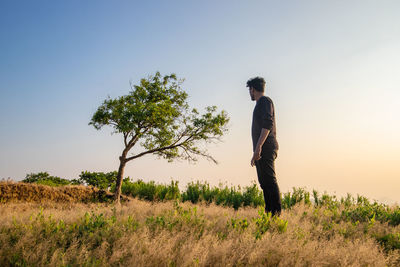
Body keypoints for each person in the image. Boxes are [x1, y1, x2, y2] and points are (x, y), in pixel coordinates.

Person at [247, 76, 282, 217]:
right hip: (261, 149)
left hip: (266, 147)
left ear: (253, 89)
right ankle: (269, 215)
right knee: (264, 182)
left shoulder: (265, 102)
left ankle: (276, 215)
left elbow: (268, 124)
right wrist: (255, 151)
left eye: (250, 90)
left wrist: (258, 147)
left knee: (269, 181)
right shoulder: (260, 104)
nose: (250, 93)